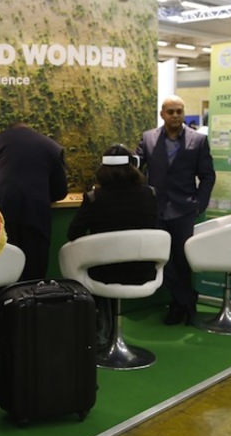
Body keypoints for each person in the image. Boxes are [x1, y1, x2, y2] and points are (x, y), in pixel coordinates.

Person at [67, 145, 158, 346]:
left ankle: (101, 335)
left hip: (105, 275)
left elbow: (73, 234)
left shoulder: (94, 199)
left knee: (95, 267)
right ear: (132, 167)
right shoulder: (149, 194)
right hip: (143, 270)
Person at [137, 95, 216, 325]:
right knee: (160, 259)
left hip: (184, 209)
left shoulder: (198, 141)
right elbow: (137, 168)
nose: (175, 116)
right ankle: (186, 300)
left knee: (182, 260)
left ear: (183, 113)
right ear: (162, 114)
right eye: (170, 112)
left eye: (179, 111)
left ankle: (178, 306)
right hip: (156, 209)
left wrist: (199, 203)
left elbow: (208, 175)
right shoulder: (148, 138)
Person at [0, 122, 68, 281]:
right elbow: (60, 191)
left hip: (3, 212)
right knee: (34, 269)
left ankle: (5, 302)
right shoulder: (52, 147)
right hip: (36, 212)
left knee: (5, 267)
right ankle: (31, 301)